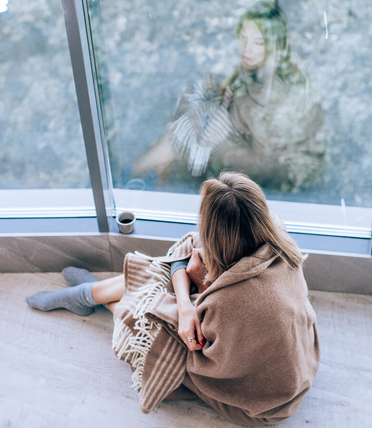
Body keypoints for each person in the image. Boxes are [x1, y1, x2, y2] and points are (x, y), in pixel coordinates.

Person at [26, 171, 320, 425]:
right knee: (167, 277)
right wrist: (185, 304)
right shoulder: (276, 240)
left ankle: (91, 296)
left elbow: (204, 350)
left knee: (148, 317)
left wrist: (186, 303)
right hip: (297, 364)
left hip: (259, 403)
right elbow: (187, 253)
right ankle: (90, 294)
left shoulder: (234, 301)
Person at [131, 1, 325, 192]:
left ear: (274, 44)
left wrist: (216, 148)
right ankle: (153, 170)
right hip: (253, 135)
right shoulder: (265, 65)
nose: (246, 49)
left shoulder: (272, 91)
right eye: (243, 37)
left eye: (258, 42)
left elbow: (266, 159)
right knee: (201, 105)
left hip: (276, 167)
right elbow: (240, 81)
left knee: (199, 123)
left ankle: (140, 171)